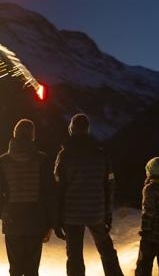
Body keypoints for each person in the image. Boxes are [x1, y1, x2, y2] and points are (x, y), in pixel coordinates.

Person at [54, 113, 124, 276]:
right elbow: (110, 183)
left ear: (71, 129)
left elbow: (58, 187)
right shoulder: (101, 154)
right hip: (96, 211)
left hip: (71, 214)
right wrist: (107, 213)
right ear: (87, 130)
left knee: (74, 256)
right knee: (106, 250)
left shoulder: (64, 156)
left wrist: (57, 219)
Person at [0, 119, 55, 276]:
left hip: (12, 219)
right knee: (32, 269)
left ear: (14, 135)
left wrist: (2, 211)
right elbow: (50, 193)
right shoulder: (42, 160)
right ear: (33, 136)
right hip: (36, 219)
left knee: (15, 268)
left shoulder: (3, 161)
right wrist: (50, 223)